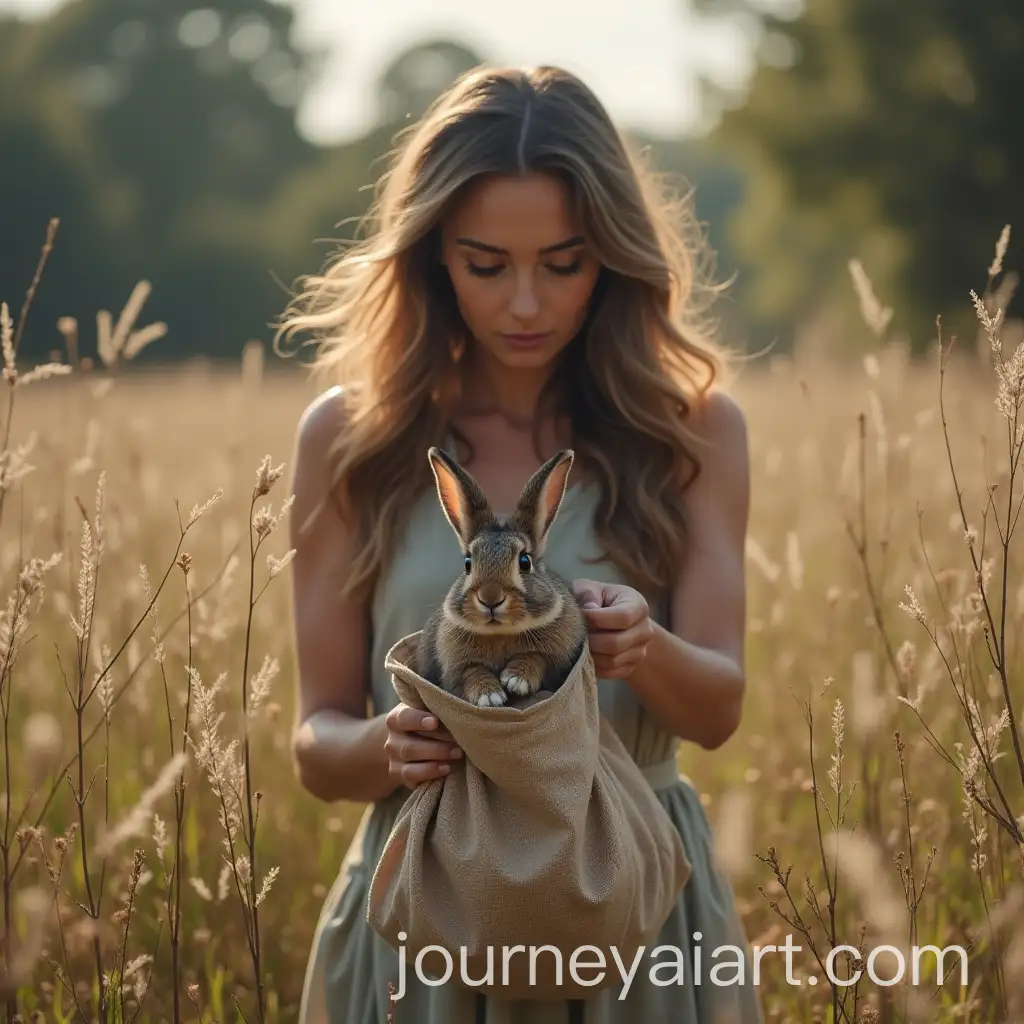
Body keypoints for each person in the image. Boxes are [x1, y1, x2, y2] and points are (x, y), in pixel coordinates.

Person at [278, 63, 763, 1024]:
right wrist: (393, 743)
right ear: (432, 257)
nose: (528, 305)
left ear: (614, 257)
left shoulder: (694, 432)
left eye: (566, 262)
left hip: (630, 907)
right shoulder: (349, 439)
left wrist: (644, 648)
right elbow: (316, 743)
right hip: (424, 920)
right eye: (487, 265)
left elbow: (717, 710)